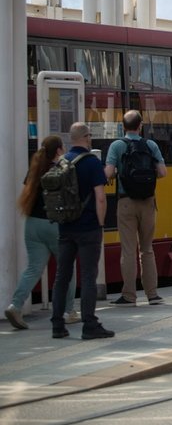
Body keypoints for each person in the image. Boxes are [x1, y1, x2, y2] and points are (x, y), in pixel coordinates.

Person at [5, 136, 79, 330]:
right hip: (54, 224)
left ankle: (15, 305)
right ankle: (68, 311)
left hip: (32, 224)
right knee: (67, 268)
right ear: (58, 150)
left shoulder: (35, 168)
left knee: (33, 268)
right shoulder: (62, 169)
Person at [51, 123, 113, 340]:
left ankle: (57, 325)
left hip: (65, 227)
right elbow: (101, 197)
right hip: (88, 228)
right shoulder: (92, 163)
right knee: (88, 276)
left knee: (62, 277)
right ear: (86, 138)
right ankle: (89, 325)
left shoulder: (62, 161)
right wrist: (100, 223)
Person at [104, 110, 168, 306]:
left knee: (128, 250)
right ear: (140, 126)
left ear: (123, 126)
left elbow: (108, 173)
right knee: (147, 249)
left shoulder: (117, 145)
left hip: (126, 202)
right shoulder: (150, 145)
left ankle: (129, 295)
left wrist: (118, 174)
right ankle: (153, 295)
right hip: (148, 202)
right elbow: (163, 172)